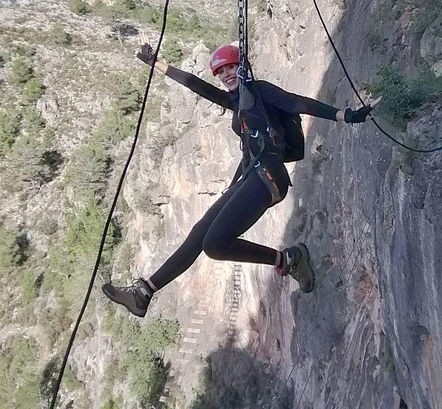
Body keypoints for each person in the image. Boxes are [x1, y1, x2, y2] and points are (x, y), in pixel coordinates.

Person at [102, 31, 381, 317]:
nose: (225, 75)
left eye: (230, 67)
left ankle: (289, 258)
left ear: (242, 66)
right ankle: (144, 292)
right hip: (250, 177)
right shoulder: (235, 102)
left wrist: (346, 115)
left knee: (214, 244)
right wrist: (156, 63)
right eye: (220, 72)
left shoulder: (260, 92)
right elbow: (196, 85)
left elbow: (299, 103)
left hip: (269, 177)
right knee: (200, 233)